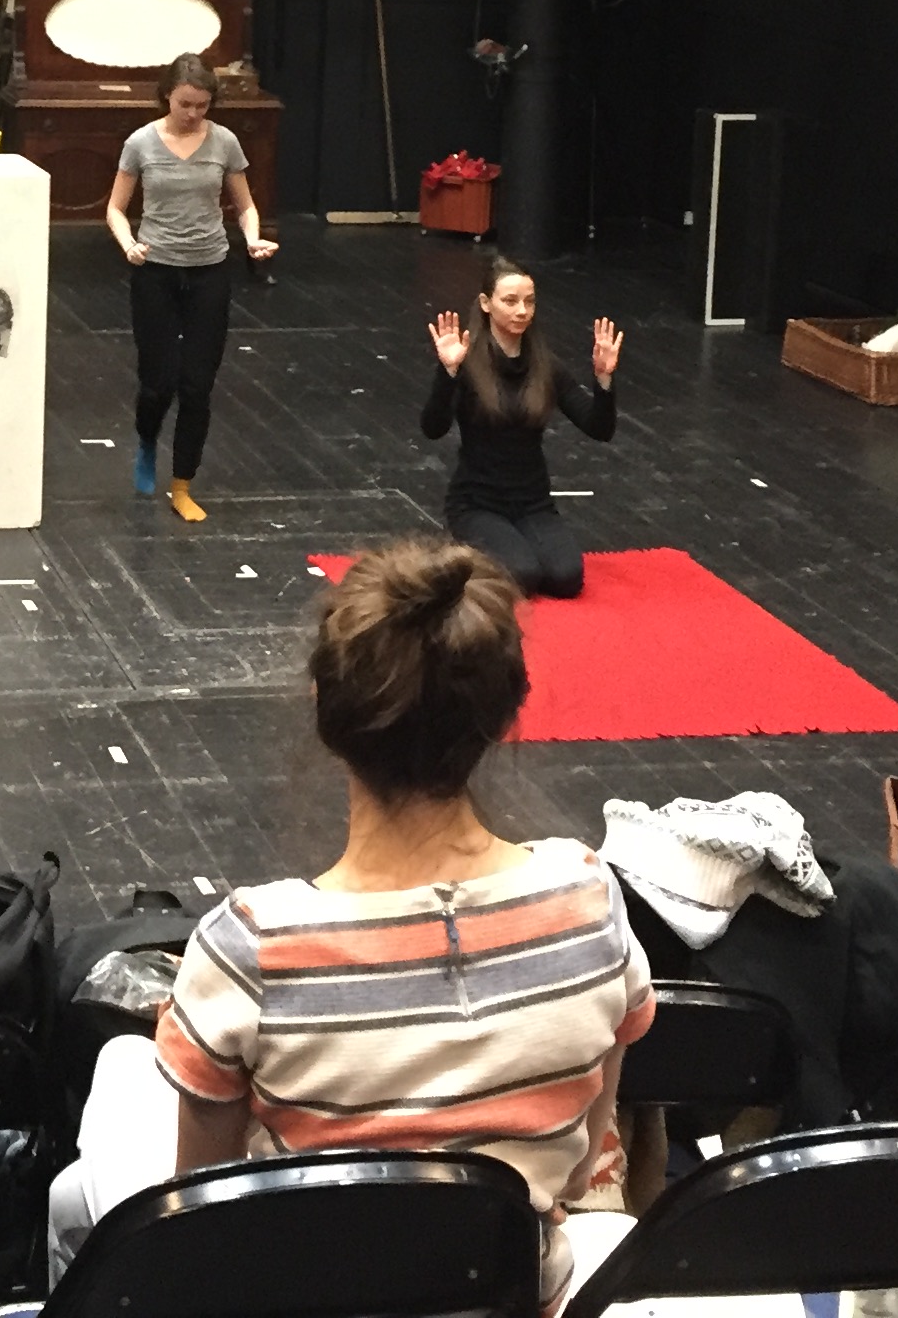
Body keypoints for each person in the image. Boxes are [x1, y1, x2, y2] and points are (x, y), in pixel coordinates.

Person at [47, 539, 649, 1308]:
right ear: (504, 712)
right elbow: (579, 1167)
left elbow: (205, 1221)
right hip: (510, 1290)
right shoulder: (590, 901)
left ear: (325, 707)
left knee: (117, 1080)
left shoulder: (249, 946)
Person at [106, 52, 278, 522]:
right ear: (167, 97)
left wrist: (252, 239)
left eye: (202, 105)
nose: (193, 113)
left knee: (197, 385)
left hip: (209, 271)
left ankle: (182, 485)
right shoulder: (141, 143)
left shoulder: (224, 142)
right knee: (158, 383)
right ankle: (146, 441)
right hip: (156, 272)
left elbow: (245, 204)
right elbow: (116, 208)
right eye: (185, 104)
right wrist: (129, 244)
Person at [423, 258, 622, 599]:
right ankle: (470, 549)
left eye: (529, 301)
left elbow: (599, 428)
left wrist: (604, 379)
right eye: (510, 301)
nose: (522, 311)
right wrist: (449, 373)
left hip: (533, 502)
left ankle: (510, 544)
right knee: (523, 574)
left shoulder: (545, 365)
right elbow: (433, 427)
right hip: (477, 503)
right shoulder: (468, 361)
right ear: (486, 303)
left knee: (566, 578)